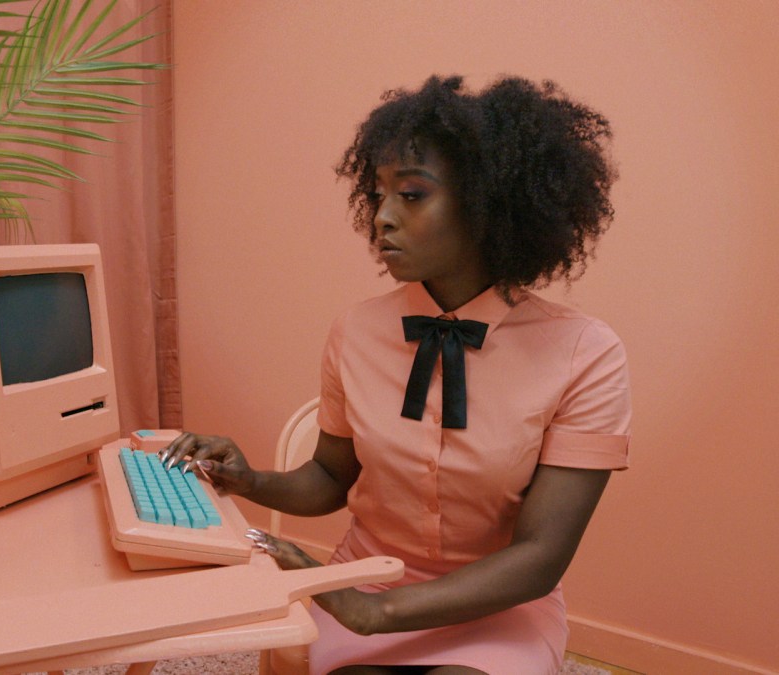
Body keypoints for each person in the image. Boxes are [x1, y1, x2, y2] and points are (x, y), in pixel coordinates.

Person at [158, 75, 630, 675]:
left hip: (496, 608)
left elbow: (540, 556)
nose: (380, 219)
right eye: (377, 195)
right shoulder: (354, 332)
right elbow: (331, 477)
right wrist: (249, 480)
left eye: (410, 195)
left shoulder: (585, 353)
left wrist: (370, 612)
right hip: (363, 581)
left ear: (488, 204)